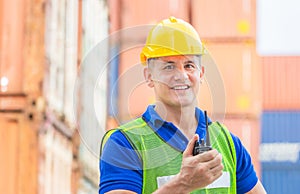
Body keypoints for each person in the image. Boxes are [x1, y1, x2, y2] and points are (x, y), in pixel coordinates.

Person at [99, 17, 266, 194]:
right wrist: (183, 184)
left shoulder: (229, 144)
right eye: (169, 66)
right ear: (149, 76)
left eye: (189, 65)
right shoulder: (125, 143)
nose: (182, 76)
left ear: (201, 74)